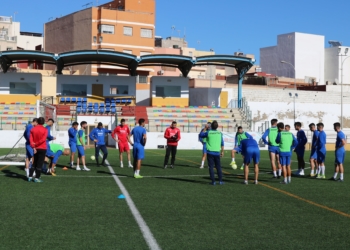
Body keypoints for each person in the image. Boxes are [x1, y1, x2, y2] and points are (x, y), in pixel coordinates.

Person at [199, 120, 224, 185]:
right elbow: (222, 143)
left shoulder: (208, 132)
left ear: (211, 126)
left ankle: (213, 181)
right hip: (217, 152)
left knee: (211, 167)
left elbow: (201, 135)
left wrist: (205, 128)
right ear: (217, 126)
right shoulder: (220, 133)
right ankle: (220, 181)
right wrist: (222, 151)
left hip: (210, 152)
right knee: (218, 167)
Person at [29, 117, 48, 183]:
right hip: (42, 148)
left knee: (34, 163)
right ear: (43, 122)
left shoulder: (33, 129)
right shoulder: (45, 129)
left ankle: (30, 176)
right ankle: (37, 178)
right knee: (40, 164)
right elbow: (43, 139)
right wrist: (36, 144)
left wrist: (33, 145)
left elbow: (30, 139)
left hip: (35, 148)